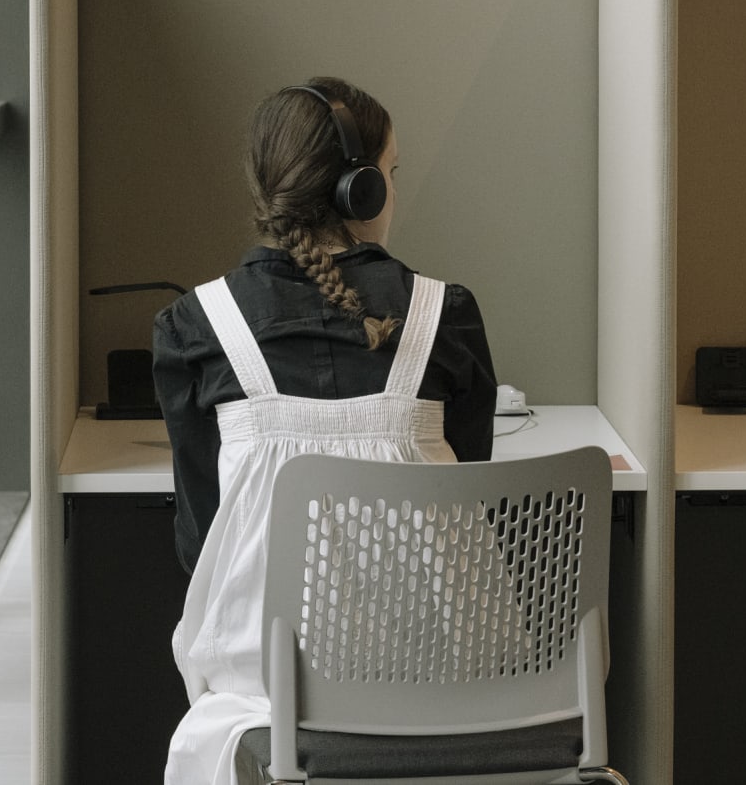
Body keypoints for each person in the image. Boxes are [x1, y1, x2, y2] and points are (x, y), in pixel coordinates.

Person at [151, 76, 498, 785]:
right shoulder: (444, 316)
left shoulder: (195, 327)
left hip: (268, 710)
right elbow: (474, 510)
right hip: (444, 694)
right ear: (362, 191)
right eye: (391, 174)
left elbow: (201, 543)